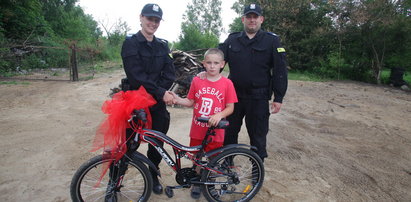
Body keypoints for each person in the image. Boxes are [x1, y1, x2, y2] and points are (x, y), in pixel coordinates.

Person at [218, 3, 288, 162]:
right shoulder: (232, 39)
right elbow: (217, 61)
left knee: (258, 136)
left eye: (255, 17)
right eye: (248, 17)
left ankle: (257, 170)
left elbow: (280, 71)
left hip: (259, 97)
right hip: (233, 97)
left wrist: (278, 97)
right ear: (243, 19)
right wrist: (205, 75)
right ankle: (228, 165)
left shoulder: (272, 41)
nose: (251, 20)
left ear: (261, 19)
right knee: (229, 133)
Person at [120, 3, 175, 195]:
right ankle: (114, 181)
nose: (153, 23)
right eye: (149, 18)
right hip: (135, 102)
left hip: (157, 104)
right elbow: (136, 76)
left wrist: (158, 93)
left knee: (157, 143)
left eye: (156, 20)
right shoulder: (131, 43)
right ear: (141, 18)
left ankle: (153, 173)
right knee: (128, 145)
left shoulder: (163, 45)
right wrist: (160, 91)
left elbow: (170, 73)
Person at [171, 48, 238, 199]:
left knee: (212, 161)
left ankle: (210, 184)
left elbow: (230, 108)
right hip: (198, 129)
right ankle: (197, 183)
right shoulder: (197, 80)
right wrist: (176, 98)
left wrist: (219, 115)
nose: (212, 66)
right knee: (196, 159)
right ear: (203, 64)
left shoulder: (227, 84)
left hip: (215, 132)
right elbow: (190, 101)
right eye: (209, 63)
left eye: (216, 63)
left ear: (222, 64)